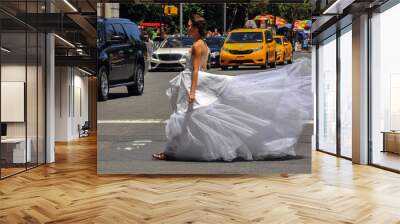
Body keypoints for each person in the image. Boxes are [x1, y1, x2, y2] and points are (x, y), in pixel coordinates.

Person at [152, 14, 313, 162]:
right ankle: (174, 151)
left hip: (191, 84)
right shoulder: (204, 45)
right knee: (189, 118)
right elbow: (204, 69)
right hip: (196, 83)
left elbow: (196, 70)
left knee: (183, 117)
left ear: (195, 28)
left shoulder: (196, 46)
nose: (187, 28)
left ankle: (171, 152)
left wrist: (193, 92)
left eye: (189, 25)